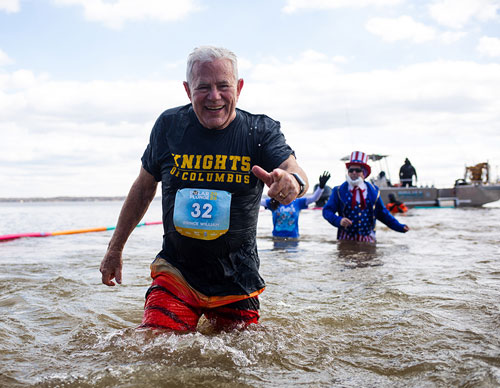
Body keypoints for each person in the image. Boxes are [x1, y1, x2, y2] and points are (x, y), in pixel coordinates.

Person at [99, 46, 309, 332]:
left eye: (224, 86)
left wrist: (293, 182)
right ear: (187, 90)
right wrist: (115, 248)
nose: (214, 97)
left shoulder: (259, 132)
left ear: (239, 87)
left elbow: (295, 170)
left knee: (238, 358)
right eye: (203, 87)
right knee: (154, 346)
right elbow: (143, 188)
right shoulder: (169, 126)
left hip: (237, 277)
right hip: (177, 273)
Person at [322, 151, 409, 243]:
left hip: (368, 238)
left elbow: (383, 214)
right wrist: (338, 220)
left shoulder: (374, 191)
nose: (354, 173)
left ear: (364, 173)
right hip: (345, 238)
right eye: (351, 170)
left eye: (357, 170)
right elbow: (327, 211)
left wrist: (400, 227)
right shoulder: (338, 191)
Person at [261, 172, 330, 238]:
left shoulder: (297, 202)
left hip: (293, 238)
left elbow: (314, 198)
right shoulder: (272, 202)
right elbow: (257, 201)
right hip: (276, 238)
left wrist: (321, 187)